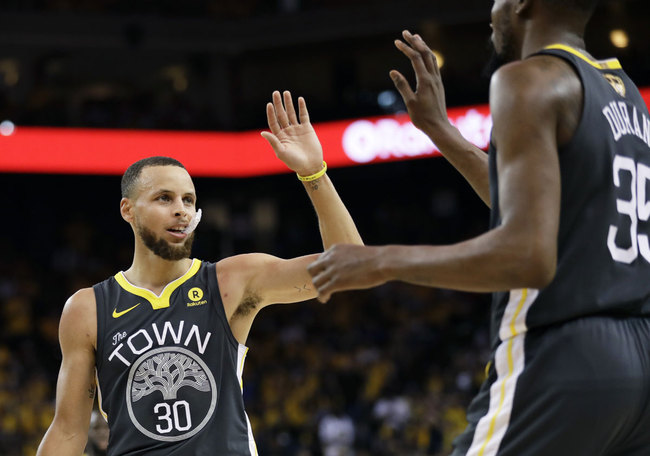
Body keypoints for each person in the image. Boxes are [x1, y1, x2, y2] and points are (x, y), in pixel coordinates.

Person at [308, 0, 650, 454]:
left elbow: (527, 255)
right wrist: (441, 131)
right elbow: (536, 206)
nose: (491, 11)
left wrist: (380, 260)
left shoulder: (525, 78)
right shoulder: (621, 90)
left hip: (567, 352)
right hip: (639, 365)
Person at [36, 90, 363, 456]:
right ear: (128, 210)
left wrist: (313, 173)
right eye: (164, 198)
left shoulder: (231, 281)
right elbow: (67, 431)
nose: (181, 210)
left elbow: (349, 269)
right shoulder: (88, 308)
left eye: (188, 200)